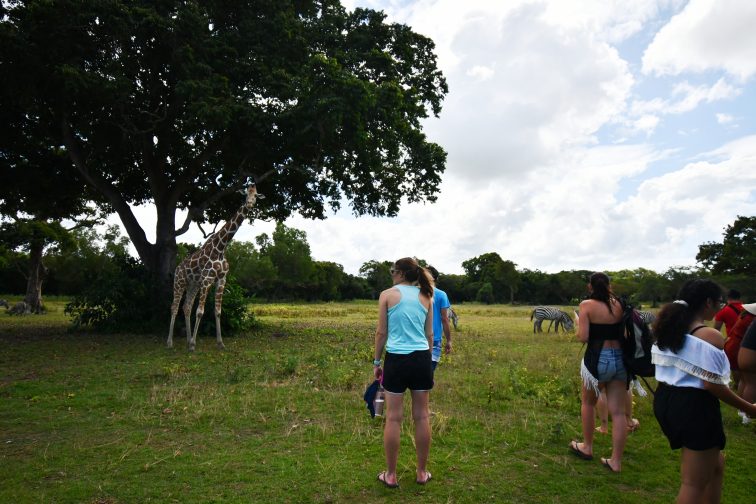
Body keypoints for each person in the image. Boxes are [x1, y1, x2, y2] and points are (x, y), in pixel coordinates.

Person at [652, 280, 756, 504]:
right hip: (694, 407)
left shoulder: (669, 327)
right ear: (707, 302)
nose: (720, 307)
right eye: (718, 302)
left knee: (716, 464)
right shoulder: (709, 336)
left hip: (666, 400)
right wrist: (749, 408)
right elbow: (712, 384)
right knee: (693, 484)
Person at [372, 257, 435, 488]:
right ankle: (421, 473)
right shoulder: (427, 295)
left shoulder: (387, 295)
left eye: (392, 271)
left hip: (396, 360)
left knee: (393, 417)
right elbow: (429, 335)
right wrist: (426, 360)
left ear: (399, 273)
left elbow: (381, 333)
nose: (391, 274)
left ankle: (390, 475)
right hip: (421, 358)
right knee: (422, 416)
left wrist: (376, 361)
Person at [569, 272, 628, 473]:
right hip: (621, 358)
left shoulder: (586, 305)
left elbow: (583, 337)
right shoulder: (619, 303)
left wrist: (578, 324)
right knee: (619, 412)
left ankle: (587, 447)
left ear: (590, 286)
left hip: (597, 358)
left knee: (588, 403)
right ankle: (616, 461)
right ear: (609, 285)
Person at [427, 266, 452, 374]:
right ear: (436, 279)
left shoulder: (416, 293)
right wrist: (449, 340)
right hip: (435, 338)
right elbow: (445, 319)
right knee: (427, 375)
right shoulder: (442, 295)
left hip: (416, 338)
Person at [737, 309, 756, 414]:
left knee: (745, 381)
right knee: (753, 384)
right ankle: (749, 414)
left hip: (743, 354)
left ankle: (741, 411)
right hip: (751, 356)